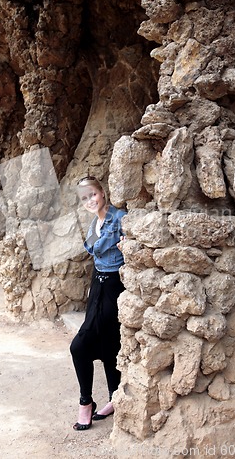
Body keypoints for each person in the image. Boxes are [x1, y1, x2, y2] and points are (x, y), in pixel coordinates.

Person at [70, 175, 127, 431]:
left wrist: (128, 244)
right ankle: (87, 401)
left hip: (115, 285)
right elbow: (93, 252)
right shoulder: (95, 223)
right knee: (83, 345)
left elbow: (134, 245)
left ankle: (113, 397)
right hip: (98, 284)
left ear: (102, 192)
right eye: (84, 198)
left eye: (92, 194)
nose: (90, 200)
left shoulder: (120, 217)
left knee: (107, 342)